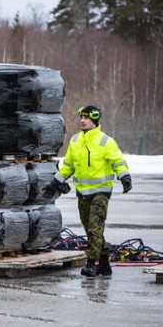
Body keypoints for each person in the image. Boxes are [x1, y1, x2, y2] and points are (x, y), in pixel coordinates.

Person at [44, 105, 132, 277]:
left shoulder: (105, 141)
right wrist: (55, 182)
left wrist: (125, 177)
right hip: (82, 194)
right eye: (81, 118)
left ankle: (91, 264)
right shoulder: (75, 141)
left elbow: (118, 162)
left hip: (101, 193)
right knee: (91, 230)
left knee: (94, 228)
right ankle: (105, 264)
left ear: (94, 120)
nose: (82, 121)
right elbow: (68, 166)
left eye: (86, 118)